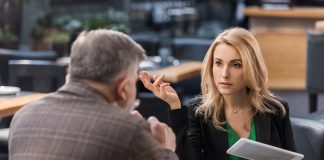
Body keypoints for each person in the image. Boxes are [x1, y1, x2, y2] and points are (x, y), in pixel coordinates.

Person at [9, 29, 178, 160]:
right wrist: (165, 149)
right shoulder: (129, 130)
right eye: (135, 82)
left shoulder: (23, 116)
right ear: (124, 88)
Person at [139, 27, 296, 160]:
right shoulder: (199, 111)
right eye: (219, 63)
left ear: (251, 68)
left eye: (236, 65)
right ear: (211, 66)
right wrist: (175, 105)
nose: (224, 74)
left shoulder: (276, 109)